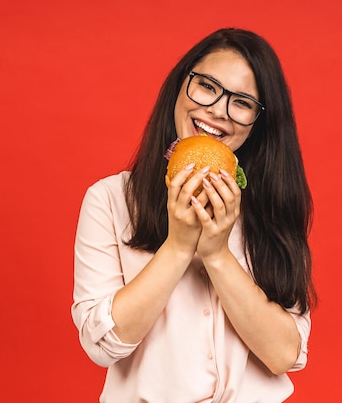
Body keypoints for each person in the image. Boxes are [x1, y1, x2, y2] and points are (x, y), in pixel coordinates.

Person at [71, 28, 317, 403]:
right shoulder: (111, 200)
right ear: (179, 86)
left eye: (243, 102)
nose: (218, 109)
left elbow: (284, 354)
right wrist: (178, 246)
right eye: (207, 86)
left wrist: (218, 255)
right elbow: (102, 346)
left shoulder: (271, 208)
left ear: (258, 123)